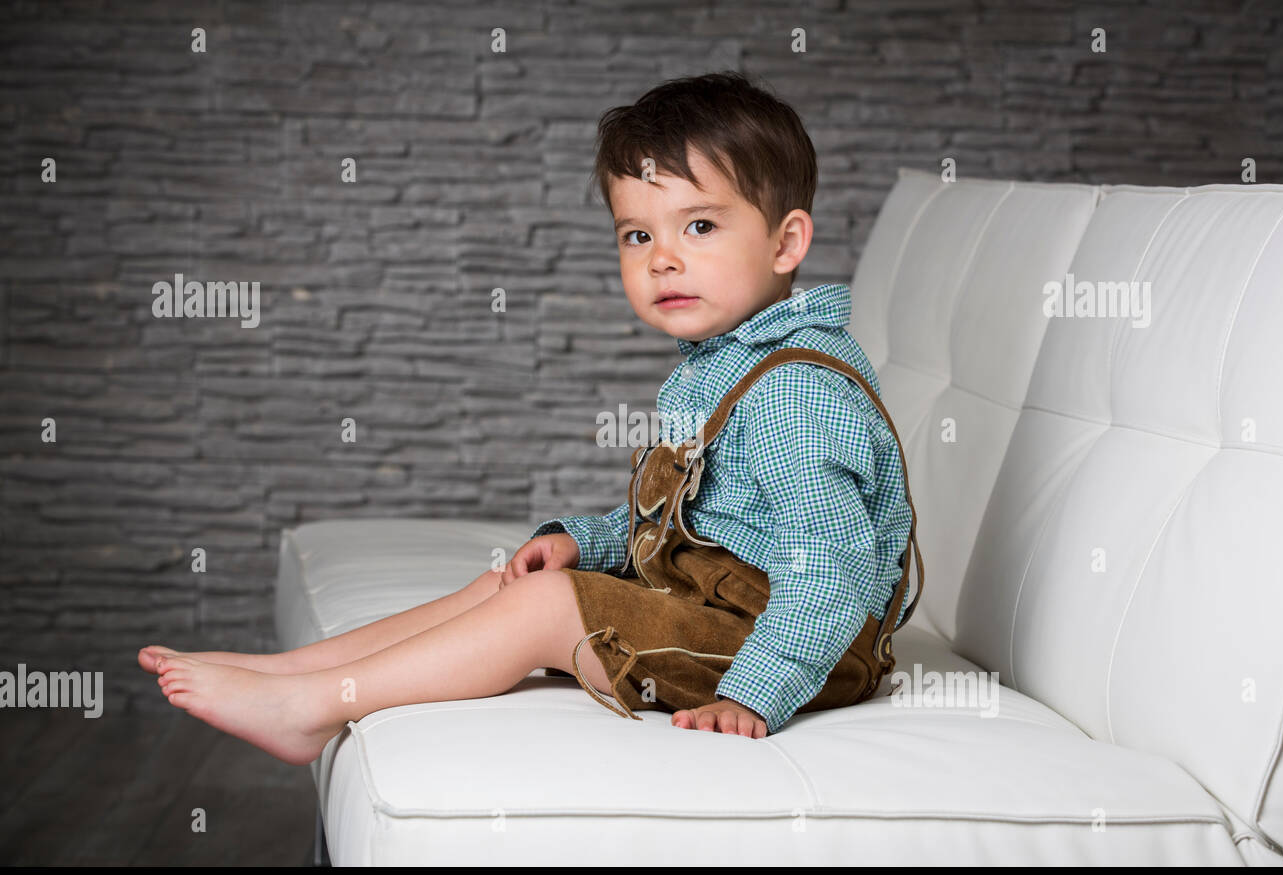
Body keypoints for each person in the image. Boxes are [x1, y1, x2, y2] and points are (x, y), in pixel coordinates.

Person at [137, 71, 917, 764]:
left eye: (699, 226)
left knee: (546, 608)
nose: (662, 258)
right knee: (506, 583)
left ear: (787, 243)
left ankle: (309, 712)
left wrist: (753, 694)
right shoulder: (723, 362)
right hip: (722, 616)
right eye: (637, 234)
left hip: (795, 648)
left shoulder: (794, 392)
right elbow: (695, 518)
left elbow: (831, 567)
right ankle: (294, 670)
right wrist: (591, 539)